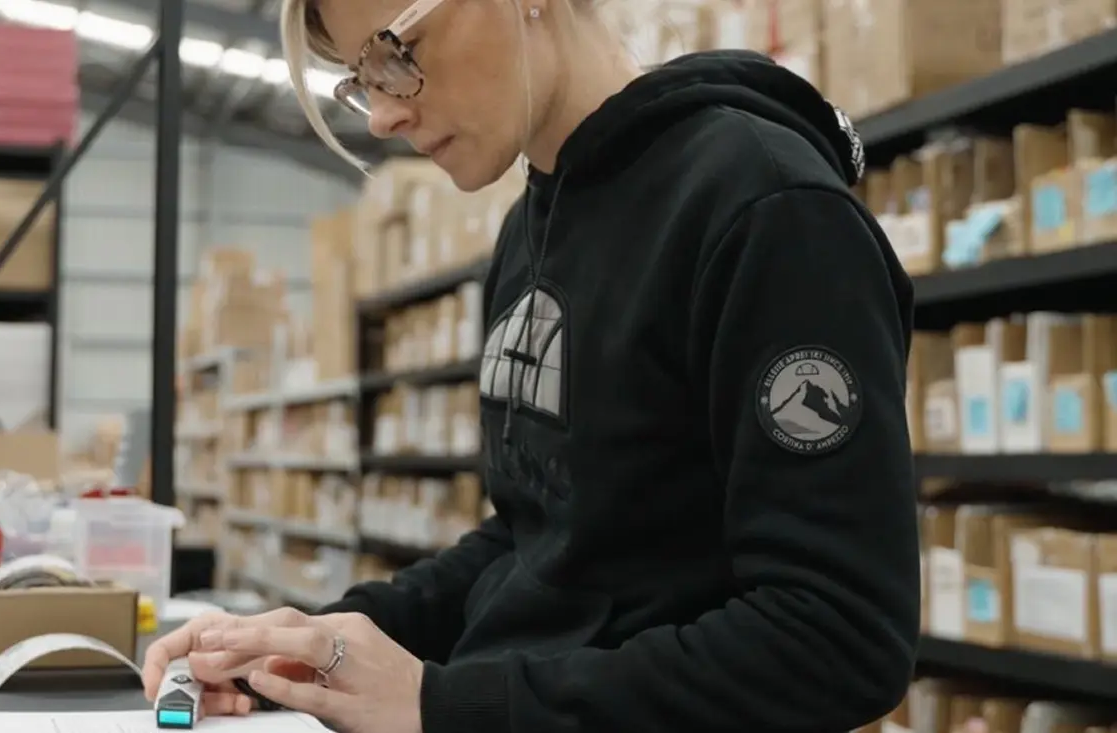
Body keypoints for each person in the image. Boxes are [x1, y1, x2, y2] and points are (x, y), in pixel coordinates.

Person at [141, 0, 922, 729]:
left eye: (394, 54)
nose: (382, 113)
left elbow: (838, 633)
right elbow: (539, 539)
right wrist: (315, 645)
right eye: (360, 80)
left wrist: (450, 705)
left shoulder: (764, 208)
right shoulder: (530, 230)